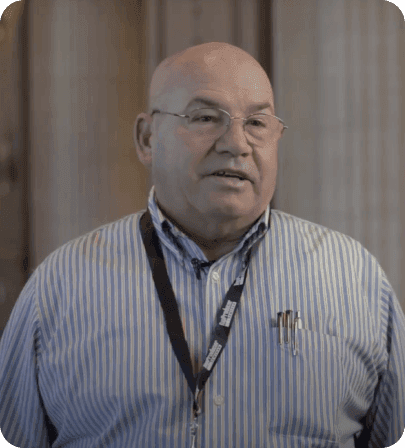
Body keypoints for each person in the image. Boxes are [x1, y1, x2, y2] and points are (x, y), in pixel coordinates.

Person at [0, 41, 404, 448]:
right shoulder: (58, 288)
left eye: (257, 123)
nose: (236, 143)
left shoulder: (355, 278)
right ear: (146, 138)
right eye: (206, 117)